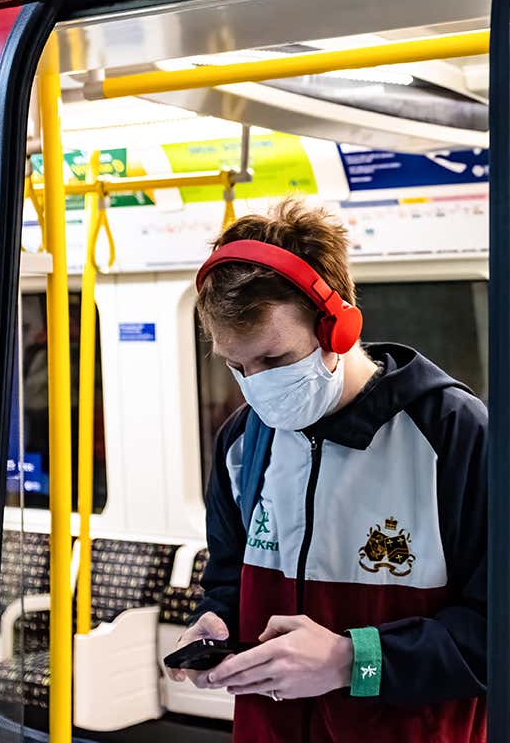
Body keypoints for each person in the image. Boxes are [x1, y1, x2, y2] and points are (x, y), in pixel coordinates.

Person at [169, 199, 487, 741]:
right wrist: (218, 619)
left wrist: (349, 660)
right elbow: (227, 572)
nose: (255, 384)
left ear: (337, 329)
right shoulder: (242, 443)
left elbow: (500, 631)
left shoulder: (452, 434)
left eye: (273, 360)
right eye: (235, 365)